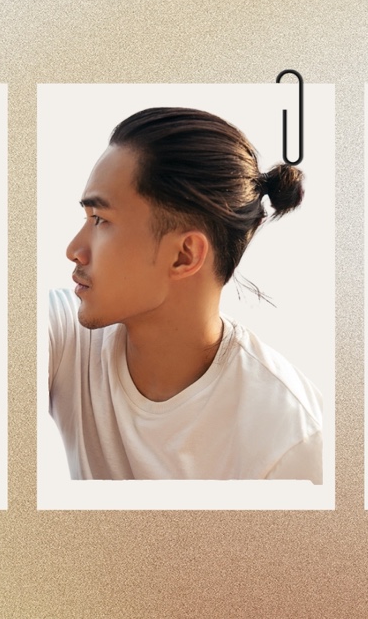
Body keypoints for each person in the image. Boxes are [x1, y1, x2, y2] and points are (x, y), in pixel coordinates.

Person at [49, 107, 323, 482]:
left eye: (101, 220)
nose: (74, 249)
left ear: (184, 255)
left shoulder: (291, 438)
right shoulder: (63, 336)